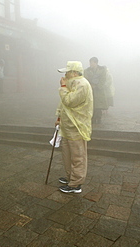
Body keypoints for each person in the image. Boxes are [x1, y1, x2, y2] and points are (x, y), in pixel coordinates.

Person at [55, 61, 93, 193]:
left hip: (77, 126)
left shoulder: (82, 84)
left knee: (77, 156)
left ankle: (76, 184)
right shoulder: (73, 83)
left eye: (67, 71)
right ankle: (70, 177)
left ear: (74, 72)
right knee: (67, 154)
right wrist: (59, 117)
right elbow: (63, 104)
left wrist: (63, 87)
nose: (65, 74)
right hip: (67, 126)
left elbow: (69, 101)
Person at [84, 57, 113, 123]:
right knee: (92, 105)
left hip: (99, 91)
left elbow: (103, 79)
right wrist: (90, 85)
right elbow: (86, 78)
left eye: (92, 63)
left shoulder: (102, 70)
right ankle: (93, 118)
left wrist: (97, 86)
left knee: (99, 105)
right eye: (90, 62)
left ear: (96, 63)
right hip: (91, 90)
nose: (90, 64)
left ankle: (98, 118)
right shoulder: (87, 71)